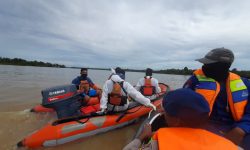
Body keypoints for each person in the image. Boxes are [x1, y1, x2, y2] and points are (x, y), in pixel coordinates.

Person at [123, 88, 238, 150]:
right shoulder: (230, 145)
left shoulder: (157, 144)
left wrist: (141, 137)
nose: (163, 113)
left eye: (166, 112)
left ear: (176, 121)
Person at [183, 48, 250, 149]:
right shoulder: (194, 81)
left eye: (208, 64)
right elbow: (181, 103)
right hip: (204, 127)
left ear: (223, 66)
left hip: (237, 127)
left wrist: (241, 129)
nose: (204, 66)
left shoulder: (244, 84)